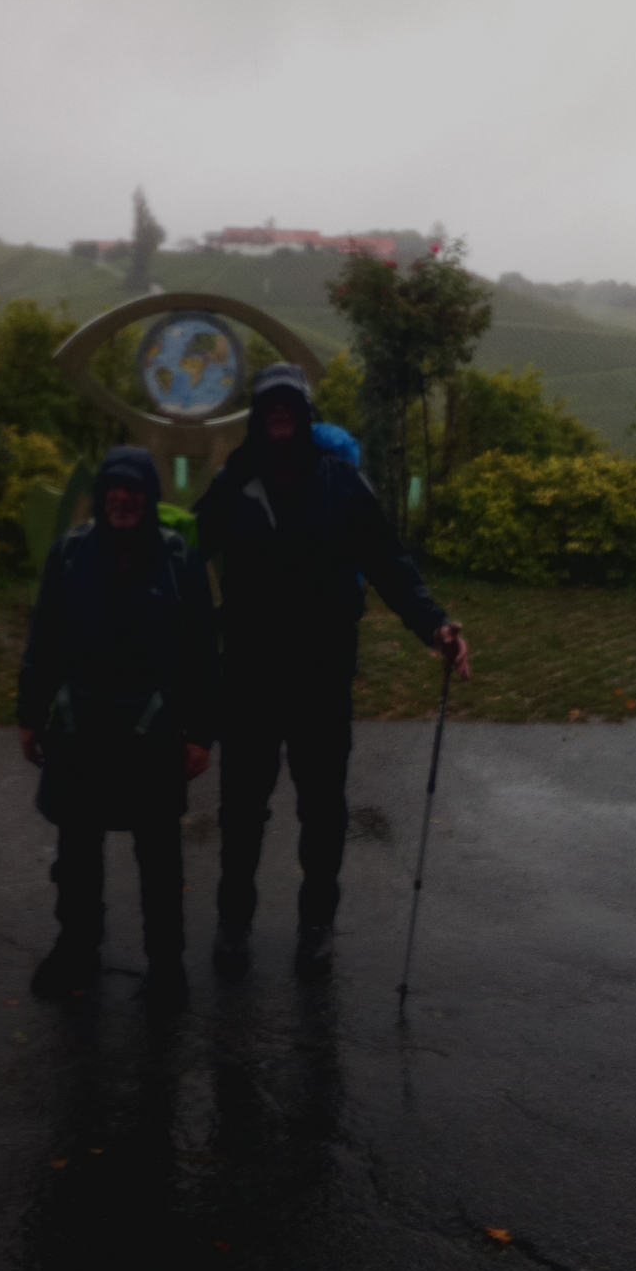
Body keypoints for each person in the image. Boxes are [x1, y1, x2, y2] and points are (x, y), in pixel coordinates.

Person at [195, 364, 470, 978]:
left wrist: (434, 625)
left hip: (321, 675)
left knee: (322, 809)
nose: (280, 413)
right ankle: (233, 921)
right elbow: (189, 550)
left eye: (290, 404)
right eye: (270, 405)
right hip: (249, 674)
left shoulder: (342, 484)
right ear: (258, 416)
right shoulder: (236, 480)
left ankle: (317, 924)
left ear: (305, 413)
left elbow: (389, 563)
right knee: (241, 809)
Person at [17, 447, 220, 1016]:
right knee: (77, 851)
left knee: (159, 857)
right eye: (115, 487)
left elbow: (204, 654)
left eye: (135, 489)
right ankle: (76, 948)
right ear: (102, 494)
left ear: (150, 498)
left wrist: (201, 734)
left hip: (153, 730)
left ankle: (166, 963)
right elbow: (45, 639)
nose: (123, 498)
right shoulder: (70, 553)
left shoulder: (178, 560)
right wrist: (30, 715)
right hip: (80, 726)